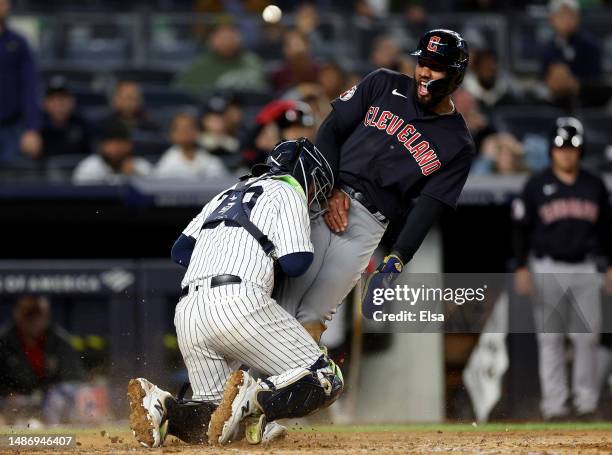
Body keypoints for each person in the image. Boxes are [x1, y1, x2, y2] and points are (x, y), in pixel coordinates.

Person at [126, 139, 343, 447]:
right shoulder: (288, 189)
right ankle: (253, 396)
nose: (315, 194)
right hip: (237, 300)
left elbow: (180, 250)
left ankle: (164, 407)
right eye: (316, 184)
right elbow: (297, 262)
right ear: (304, 173)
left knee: (215, 424)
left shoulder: (226, 193)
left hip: (189, 310)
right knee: (326, 380)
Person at [275, 29, 476, 342]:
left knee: (313, 317)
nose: (424, 71)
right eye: (422, 61)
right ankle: (240, 387)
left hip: (367, 224)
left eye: (435, 66)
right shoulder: (383, 82)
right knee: (280, 307)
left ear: (455, 75)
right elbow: (330, 129)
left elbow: (428, 207)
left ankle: (283, 389)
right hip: (322, 201)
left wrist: (396, 260)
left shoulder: (458, 144)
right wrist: (332, 188)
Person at [513, 116, 612, 421]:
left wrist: (610, 266)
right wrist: (520, 267)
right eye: (561, 147)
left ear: (580, 151)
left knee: (587, 339)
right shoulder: (535, 185)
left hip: (585, 268)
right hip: (547, 267)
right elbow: (519, 230)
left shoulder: (595, 185)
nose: (567, 152)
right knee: (550, 338)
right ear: (551, 150)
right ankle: (554, 406)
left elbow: (607, 231)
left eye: (572, 147)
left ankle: (586, 403)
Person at [0, 295, 85, 398]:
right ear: (18, 316)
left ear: (46, 317)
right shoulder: (4, 342)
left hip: (52, 404)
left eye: (39, 316)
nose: (35, 321)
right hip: (12, 406)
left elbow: (74, 378)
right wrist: (7, 395)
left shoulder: (60, 342)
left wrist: (57, 394)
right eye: (29, 316)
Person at [0, 0, 41, 164]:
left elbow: (30, 86)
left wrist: (32, 128)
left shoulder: (18, 43)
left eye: (5, 2)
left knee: (13, 180)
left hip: (12, 126)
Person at [174, 23, 267, 96]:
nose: (227, 42)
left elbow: (262, 89)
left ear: (239, 38)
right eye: (222, 38)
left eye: (231, 37)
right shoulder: (200, 65)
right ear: (211, 41)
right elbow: (181, 90)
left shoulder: (252, 61)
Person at [541, 0, 602, 82]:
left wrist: (573, 83)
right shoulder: (547, 48)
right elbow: (542, 78)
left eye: (570, 15)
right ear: (552, 19)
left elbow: (596, 80)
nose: (566, 20)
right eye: (561, 15)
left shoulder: (590, 45)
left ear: (578, 18)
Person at [72, 122, 152, 184]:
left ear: (129, 145)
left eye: (120, 143)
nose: (116, 149)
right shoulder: (90, 167)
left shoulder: (141, 166)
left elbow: (153, 195)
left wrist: (134, 175)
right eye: (111, 144)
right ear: (102, 146)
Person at [155, 113, 228, 180]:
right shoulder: (167, 164)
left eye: (189, 127)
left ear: (197, 132)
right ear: (172, 135)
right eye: (180, 128)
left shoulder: (212, 162)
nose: (185, 132)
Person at [39, 77, 92, 159]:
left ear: (72, 102)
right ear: (44, 103)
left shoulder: (82, 126)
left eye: (63, 98)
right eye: (53, 98)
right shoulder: (36, 128)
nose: (59, 103)